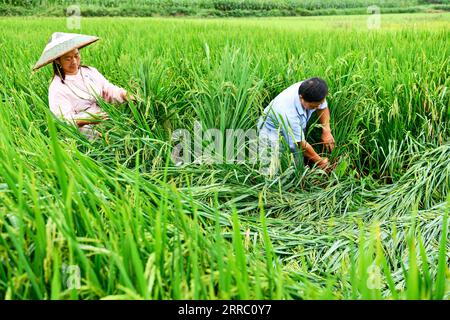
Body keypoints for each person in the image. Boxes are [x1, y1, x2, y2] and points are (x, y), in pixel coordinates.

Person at [33, 32, 133, 140]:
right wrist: (88, 120)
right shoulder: (57, 88)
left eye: (76, 55)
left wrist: (124, 94)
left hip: (105, 120)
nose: (74, 61)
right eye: (68, 58)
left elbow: (107, 89)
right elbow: (63, 120)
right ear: (58, 61)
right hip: (83, 133)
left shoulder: (90, 72)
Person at [258, 77, 335, 172]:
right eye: (313, 106)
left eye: (320, 103)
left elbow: (322, 108)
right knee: (279, 168)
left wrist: (326, 130)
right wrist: (321, 162)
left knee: (298, 162)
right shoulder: (287, 113)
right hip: (273, 134)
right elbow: (300, 144)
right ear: (301, 98)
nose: (318, 107)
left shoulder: (313, 90)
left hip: (293, 129)